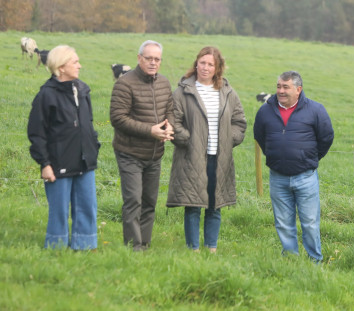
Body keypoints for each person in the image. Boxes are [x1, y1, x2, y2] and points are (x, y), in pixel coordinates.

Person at [167, 46, 247, 252]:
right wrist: (189, 140)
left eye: (210, 64)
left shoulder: (228, 93)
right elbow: (174, 122)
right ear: (196, 63)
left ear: (217, 67)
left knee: (215, 204)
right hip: (192, 157)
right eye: (202, 62)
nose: (205, 67)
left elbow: (239, 122)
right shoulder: (183, 91)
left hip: (218, 158)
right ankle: (192, 249)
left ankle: (211, 248)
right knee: (193, 204)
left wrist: (229, 140)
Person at [253, 71, 334, 262]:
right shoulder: (265, 111)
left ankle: (315, 261)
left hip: (306, 177)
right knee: (282, 223)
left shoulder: (315, 110)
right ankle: (291, 260)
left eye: (285, 87)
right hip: (278, 177)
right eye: (279, 86)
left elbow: (326, 137)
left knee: (310, 223)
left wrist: (309, 158)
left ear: (298, 89)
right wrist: (275, 156)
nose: (280, 91)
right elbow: (260, 136)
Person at [27, 45, 100, 250]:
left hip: (85, 159)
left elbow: (89, 123)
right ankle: (56, 247)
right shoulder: (46, 95)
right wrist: (45, 164)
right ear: (61, 66)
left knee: (87, 205)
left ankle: (85, 245)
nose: (80, 65)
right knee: (59, 209)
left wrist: (93, 146)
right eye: (75, 62)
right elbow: (36, 133)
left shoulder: (83, 90)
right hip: (57, 162)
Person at [110, 40, 174, 251]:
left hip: (155, 154)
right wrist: (150, 131)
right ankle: (133, 247)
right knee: (133, 201)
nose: (153, 62)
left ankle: (144, 243)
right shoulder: (125, 83)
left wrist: (168, 127)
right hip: (130, 153)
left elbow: (170, 110)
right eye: (149, 58)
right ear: (139, 58)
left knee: (149, 202)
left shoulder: (164, 83)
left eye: (157, 59)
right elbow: (118, 118)